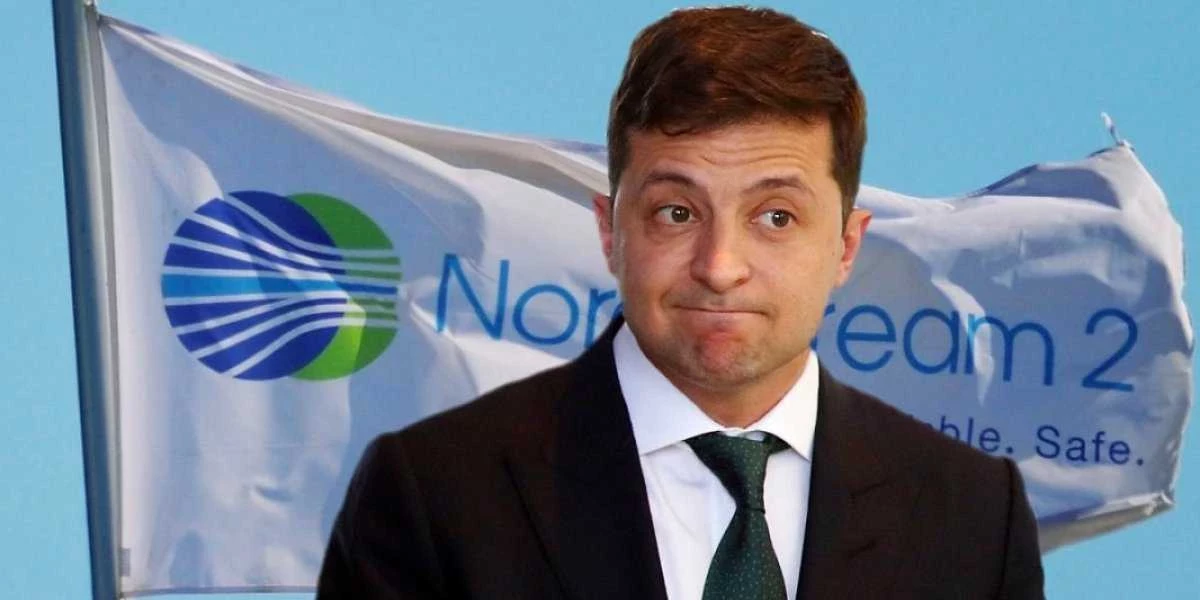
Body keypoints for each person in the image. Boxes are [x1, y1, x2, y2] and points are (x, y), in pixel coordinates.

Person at [317, 6, 1045, 599]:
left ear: (847, 246)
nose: (720, 268)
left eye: (776, 217)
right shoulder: (434, 494)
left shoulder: (975, 517)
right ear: (610, 231)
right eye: (676, 212)